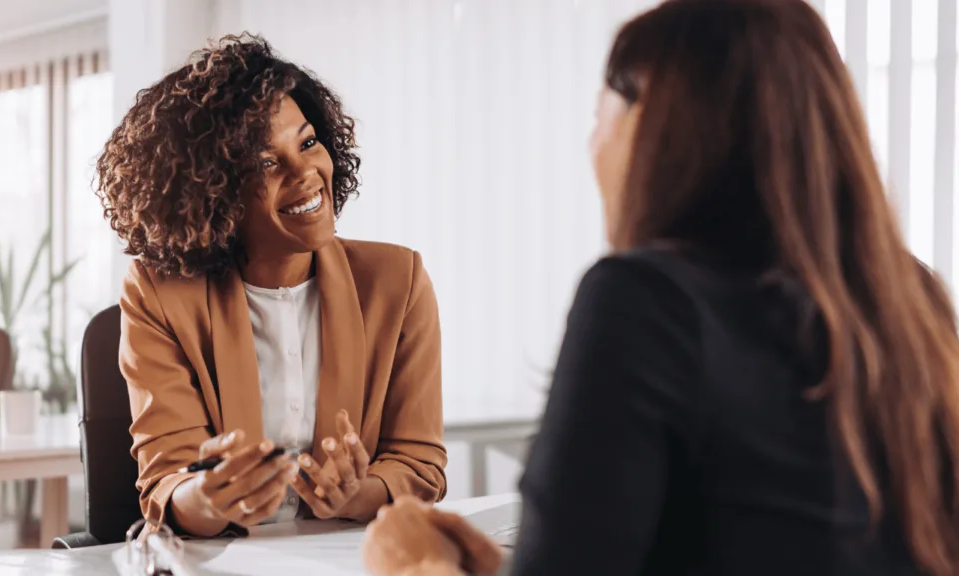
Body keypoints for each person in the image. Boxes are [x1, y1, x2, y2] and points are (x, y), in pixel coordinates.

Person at [362, 0, 959, 574]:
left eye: (600, 115)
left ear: (655, 126)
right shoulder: (912, 300)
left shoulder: (644, 302)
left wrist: (418, 564)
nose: (591, 144)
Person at [96, 34, 447, 538]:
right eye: (266, 162)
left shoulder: (397, 281)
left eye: (307, 143)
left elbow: (420, 465)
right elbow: (167, 485)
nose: (305, 173)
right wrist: (213, 496)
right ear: (213, 191)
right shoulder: (159, 294)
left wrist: (356, 493)